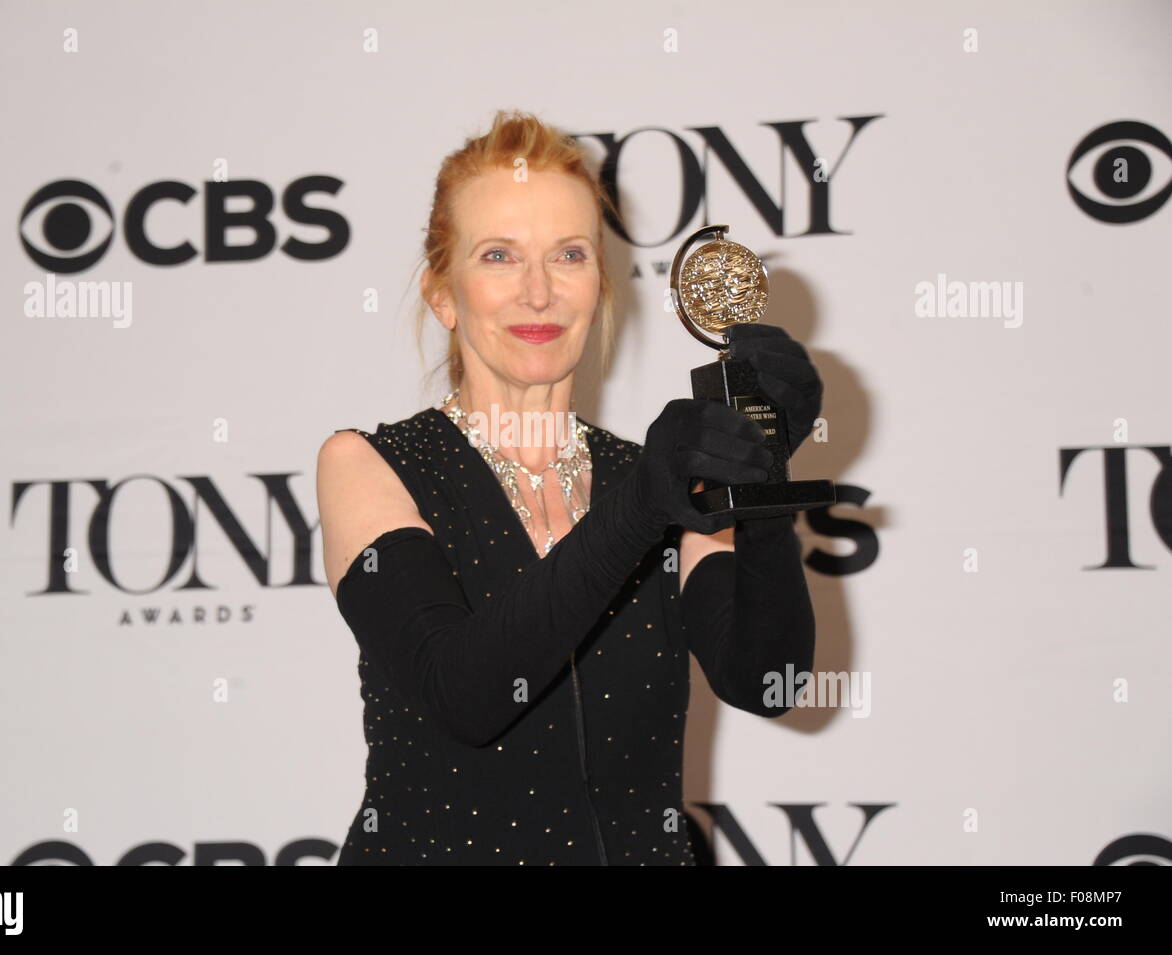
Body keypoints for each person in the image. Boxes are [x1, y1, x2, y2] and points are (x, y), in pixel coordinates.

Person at [316, 110, 822, 866]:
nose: (539, 292)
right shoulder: (372, 464)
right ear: (443, 294)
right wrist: (645, 503)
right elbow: (464, 691)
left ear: (599, 284)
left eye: (569, 255)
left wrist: (763, 472)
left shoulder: (654, 477)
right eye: (498, 256)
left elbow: (768, 681)